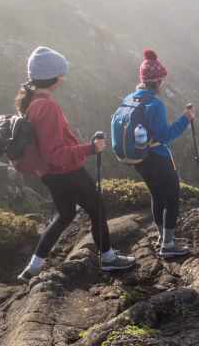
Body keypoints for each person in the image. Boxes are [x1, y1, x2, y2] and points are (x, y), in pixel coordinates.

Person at [15, 47, 135, 282]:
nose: (64, 77)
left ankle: (33, 267)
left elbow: (47, 150)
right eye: (62, 73)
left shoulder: (32, 104)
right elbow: (55, 153)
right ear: (55, 77)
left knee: (65, 215)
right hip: (66, 171)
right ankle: (109, 258)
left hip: (49, 174)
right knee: (97, 208)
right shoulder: (47, 107)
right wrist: (92, 148)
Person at [129, 49, 195, 258]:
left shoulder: (132, 98)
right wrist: (186, 118)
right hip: (158, 158)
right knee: (172, 197)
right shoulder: (155, 104)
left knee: (157, 196)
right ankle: (168, 244)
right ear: (158, 80)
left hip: (139, 158)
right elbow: (165, 135)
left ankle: (161, 237)